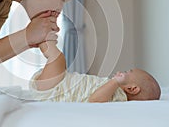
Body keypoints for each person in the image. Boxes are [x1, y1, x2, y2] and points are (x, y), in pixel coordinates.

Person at [30, 41, 161, 102]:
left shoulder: (119, 97)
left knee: (57, 58)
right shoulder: (116, 91)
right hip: (62, 82)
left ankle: (40, 34)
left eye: (127, 72)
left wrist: (115, 82)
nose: (122, 71)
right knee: (57, 58)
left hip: (57, 89)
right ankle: (40, 37)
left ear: (132, 89)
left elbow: (94, 100)